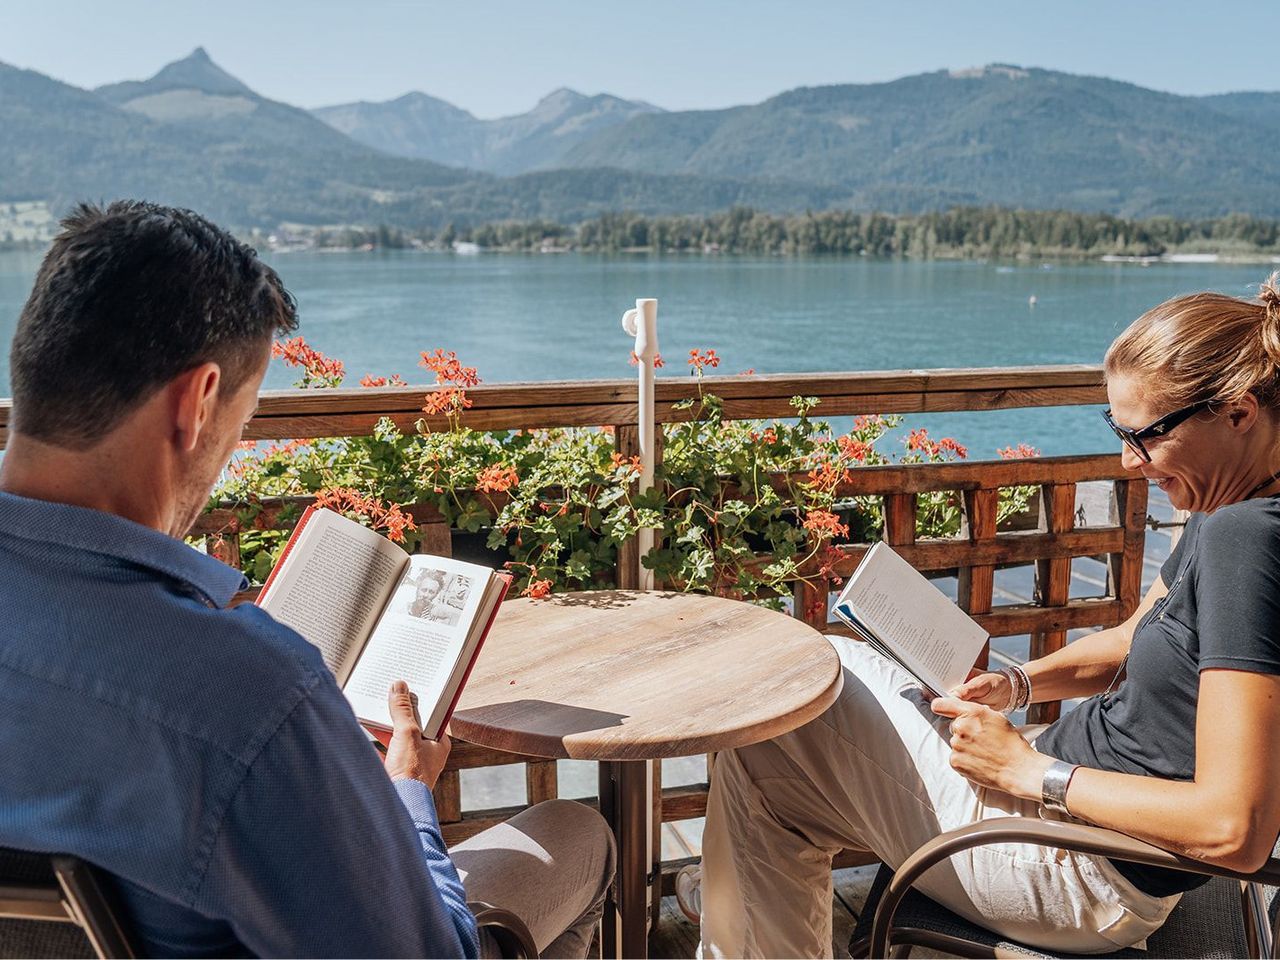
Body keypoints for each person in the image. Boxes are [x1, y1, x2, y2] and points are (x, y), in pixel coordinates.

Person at [0, 201, 613, 958]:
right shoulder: (245, 696)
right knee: (578, 835)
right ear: (196, 404)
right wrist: (407, 791)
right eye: (243, 421)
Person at [679, 276, 1280, 957]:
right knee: (786, 754)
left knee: (786, 704)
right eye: (1117, 430)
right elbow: (1138, 635)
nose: (1125, 459)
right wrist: (1019, 684)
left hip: (1072, 867)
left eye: (1145, 436)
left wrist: (1030, 773)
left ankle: (733, 900)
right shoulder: (1227, 504)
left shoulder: (1247, 539)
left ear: (1238, 413)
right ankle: (736, 896)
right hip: (1075, 830)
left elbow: (1236, 828)